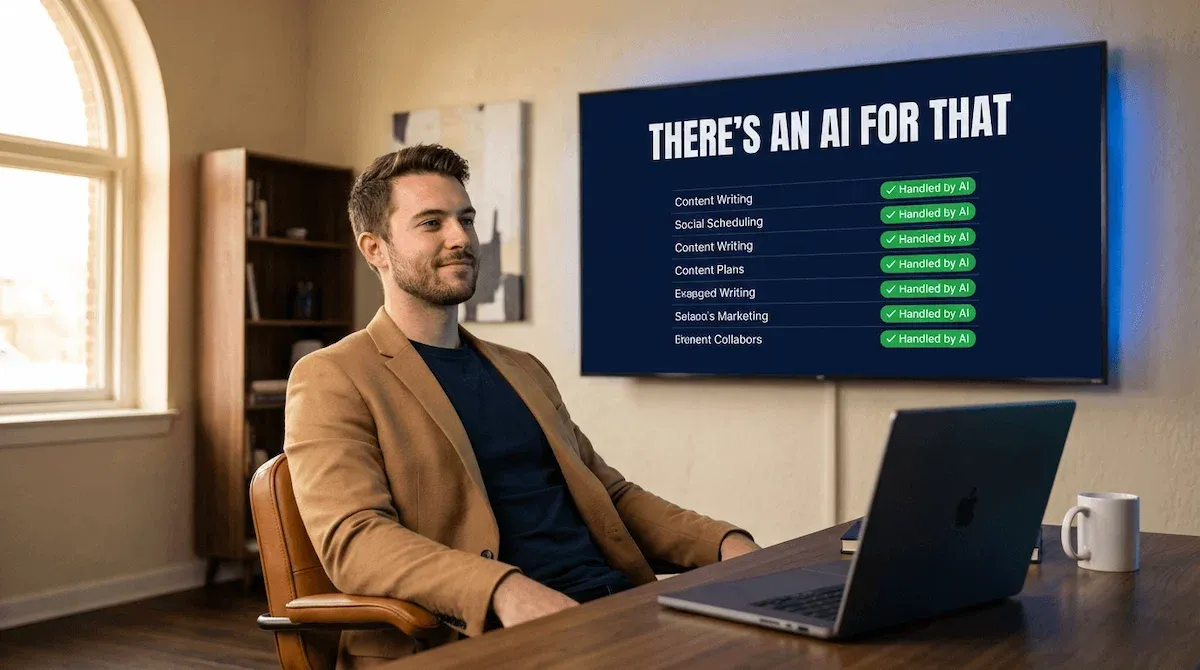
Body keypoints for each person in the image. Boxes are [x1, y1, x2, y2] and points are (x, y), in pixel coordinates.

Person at [283, 143, 759, 668]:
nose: (460, 238)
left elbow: (609, 494)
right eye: (431, 223)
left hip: (611, 609)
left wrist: (724, 543)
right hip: (481, 637)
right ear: (374, 249)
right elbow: (355, 540)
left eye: (465, 218)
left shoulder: (523, 368)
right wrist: (504, 591)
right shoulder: (333, 375)